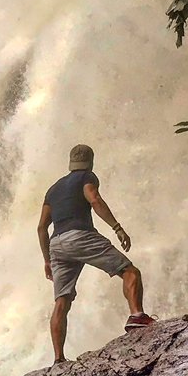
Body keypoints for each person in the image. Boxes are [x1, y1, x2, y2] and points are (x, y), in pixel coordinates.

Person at [37, 144, 155, 364]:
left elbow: (42, 227)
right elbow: (94, 199)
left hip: (57, 244)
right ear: (90, 161)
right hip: (80, 236)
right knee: (130, 271)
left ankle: (58, 359)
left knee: (62, 301)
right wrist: (117, 227)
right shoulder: (86, 177)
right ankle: (137, 316)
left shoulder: (53, 189)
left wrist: (47, 259)